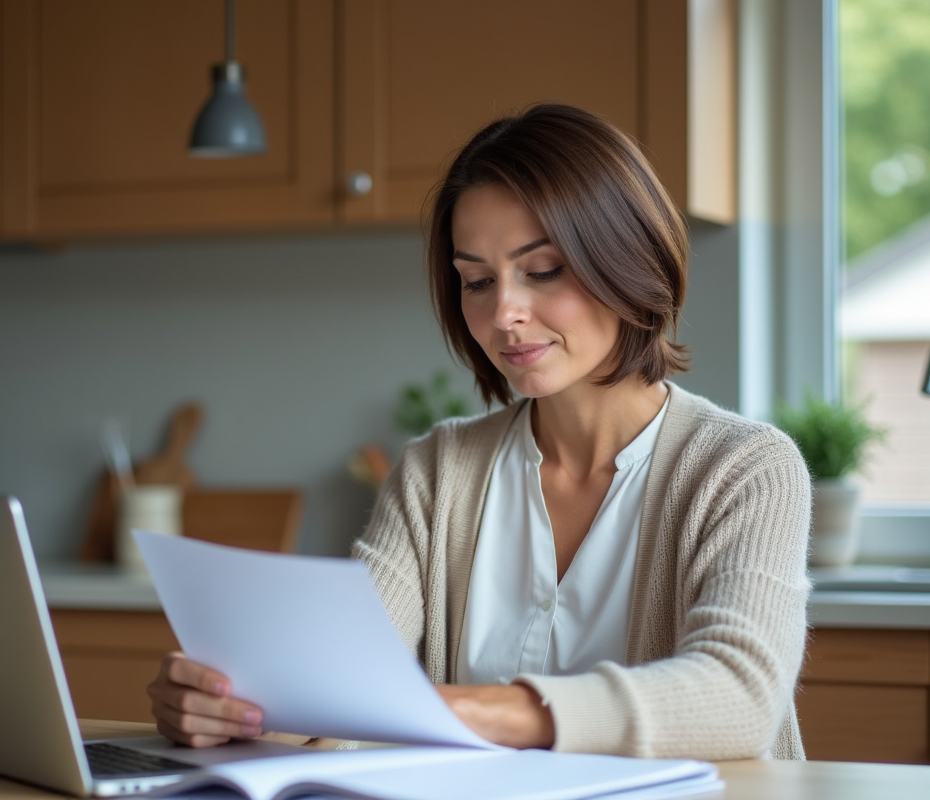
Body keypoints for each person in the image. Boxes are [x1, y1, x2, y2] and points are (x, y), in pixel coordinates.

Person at [147, 104, 812, 761]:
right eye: (476, 281)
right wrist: (234, 707)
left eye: (543, 269)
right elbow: (340, 689)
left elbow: (739, 697)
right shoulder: (439, 471)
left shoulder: (746, 468)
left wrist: (454, 707)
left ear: (628, 258)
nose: (504, 314)